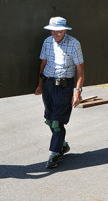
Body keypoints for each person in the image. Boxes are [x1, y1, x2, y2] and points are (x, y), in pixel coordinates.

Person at [34, 16, 84, 169]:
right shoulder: (47, 42)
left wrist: (77, 92)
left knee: (57, 122)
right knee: (49, 120)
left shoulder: (74, 44)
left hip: (64, 87)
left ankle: (54, 153)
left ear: (64, 31)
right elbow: (43, 64)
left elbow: (80, 70)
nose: (54, 35)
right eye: (52, 31)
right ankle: (62, 145)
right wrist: (40, 85)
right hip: (49, 84)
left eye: (57, 32)